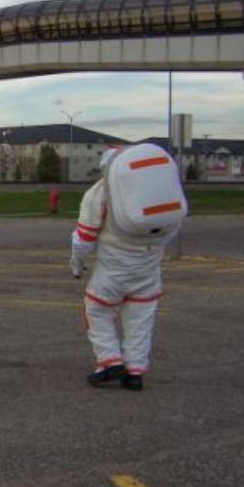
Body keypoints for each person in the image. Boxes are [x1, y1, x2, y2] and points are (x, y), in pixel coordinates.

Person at [71, 144, 186, 391]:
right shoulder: (158, 195)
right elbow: (172, 226)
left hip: (113, 269)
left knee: (98, 312)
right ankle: (135, 371)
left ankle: (110, 361)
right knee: (141, 320)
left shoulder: (99, 193)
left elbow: (83, 238)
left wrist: (77, 266)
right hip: (148, 271)